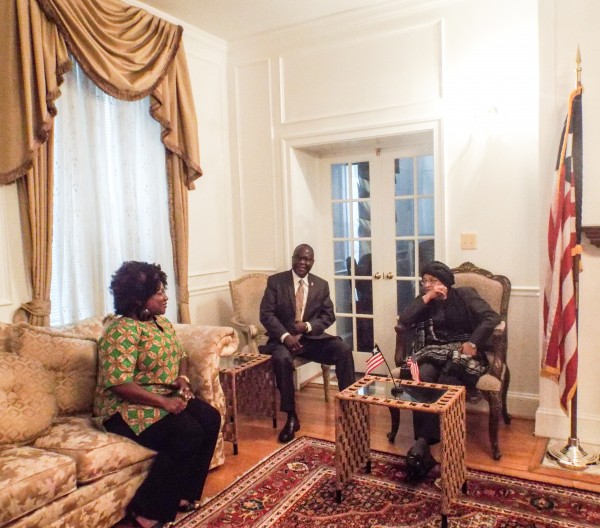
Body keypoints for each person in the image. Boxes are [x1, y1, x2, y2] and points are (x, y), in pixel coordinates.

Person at [93, 261, 220, 528]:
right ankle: (145, 512)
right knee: (187, 432)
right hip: (122, 408)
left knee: (210, 417)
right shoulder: (121, 331)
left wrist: (182, 380)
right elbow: (119, 384)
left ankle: (185, 495)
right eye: (159, 292)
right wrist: (164, 402)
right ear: (138, 299)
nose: (165, 297)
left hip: (160, 396)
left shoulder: (160, 323)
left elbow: (181, 354)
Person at [398, 260, 500, 481]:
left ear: (445, 282)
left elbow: (492, 317)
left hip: (462, 351)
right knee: (421, 376)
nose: (427, 284)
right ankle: (426, 446)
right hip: (432, 351)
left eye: (432, 281)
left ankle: (424, 444)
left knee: (449, 378)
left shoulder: (465, 295)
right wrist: (427, 297)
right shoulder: (425, 301)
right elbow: (405, 319)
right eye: (424, 281)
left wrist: (473, 343)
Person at [260, 244, 356, 443]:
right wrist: (286, 336)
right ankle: (291, 416)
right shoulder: (276, 282)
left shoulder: (320, 285)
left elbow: (329, 316)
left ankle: (348, 405)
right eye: (299, 258)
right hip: (283, 340)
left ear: (313, 261)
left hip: (311, 340)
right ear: (293, 258)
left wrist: (308, 326)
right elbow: (266, 315)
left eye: (307, 259)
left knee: (343, 348)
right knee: (281, 359)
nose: (303, 262)